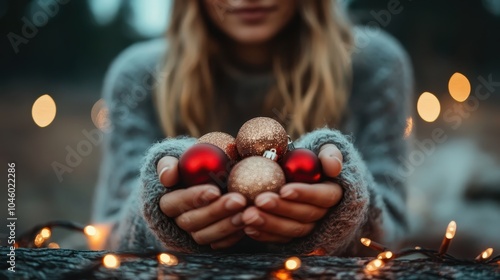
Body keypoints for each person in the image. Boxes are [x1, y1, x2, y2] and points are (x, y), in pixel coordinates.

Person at [92, 0, 413, 255]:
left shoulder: (374, 64)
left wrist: (351, 209)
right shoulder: (139, 76)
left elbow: (396, 237)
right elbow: (105, 234)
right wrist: (157, 215)